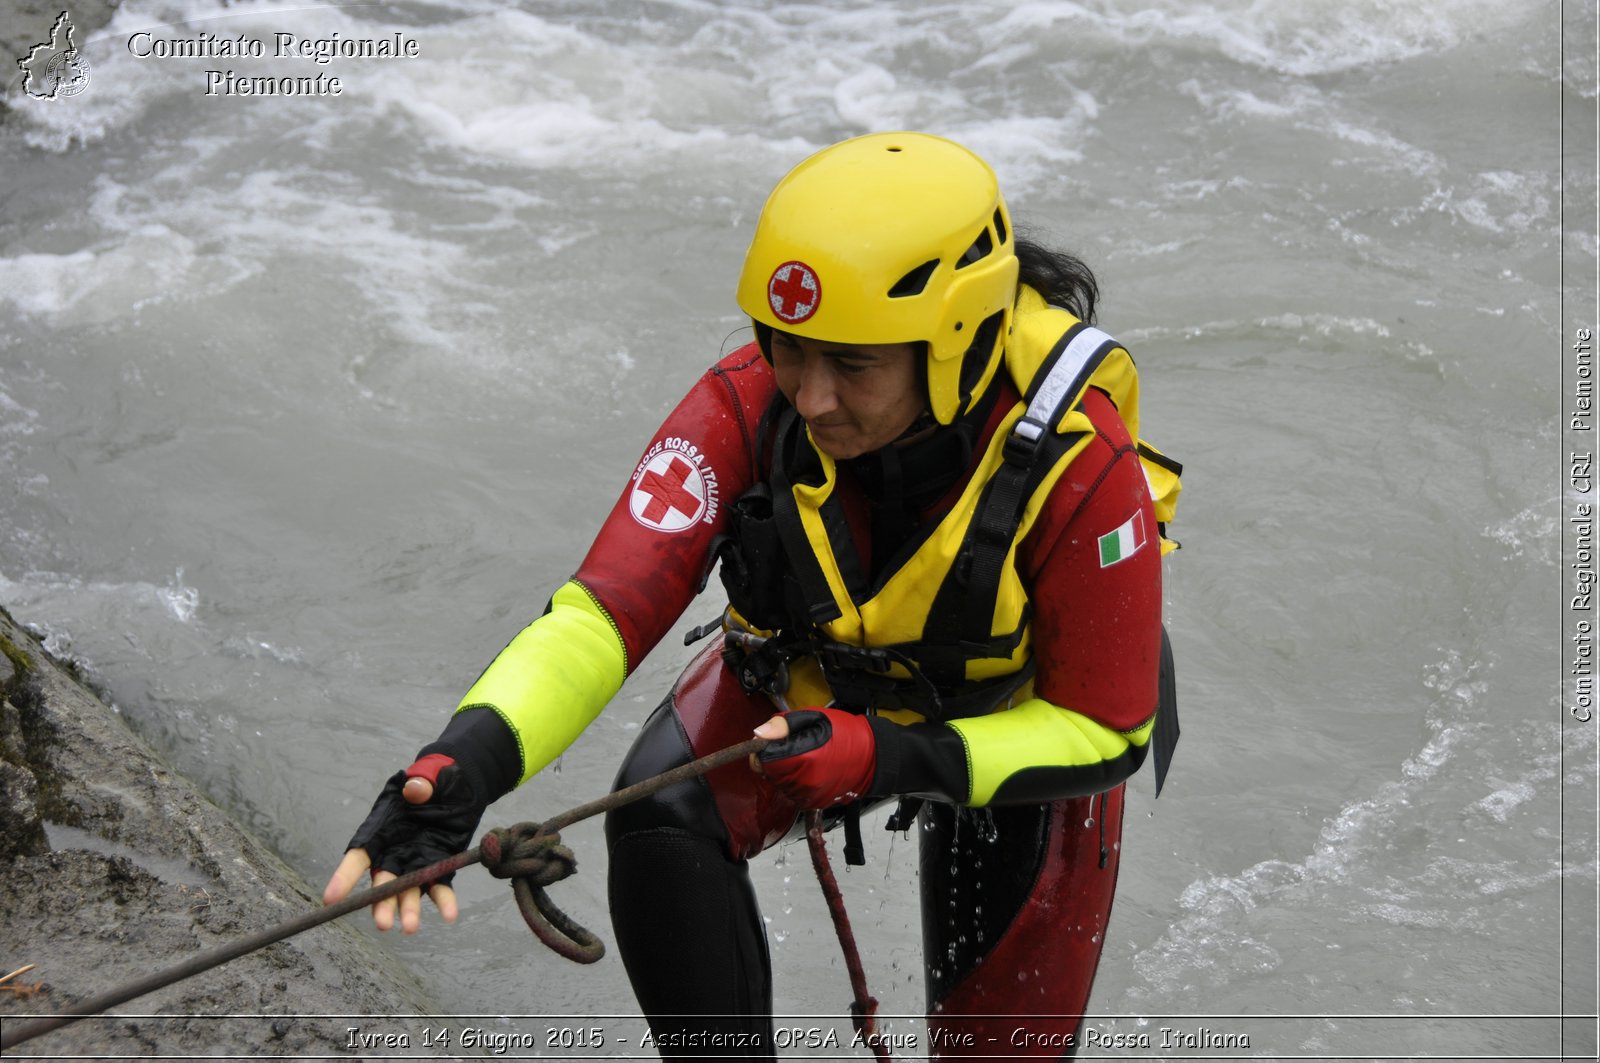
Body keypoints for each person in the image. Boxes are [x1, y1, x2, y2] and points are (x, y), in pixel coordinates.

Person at [323, 131, 1182, 1059]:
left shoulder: (1082, 461)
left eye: (852, 364)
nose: (809, 397)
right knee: (659, 824)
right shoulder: (748, 400)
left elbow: (1108, 731)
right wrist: (462, 770)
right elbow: (601, 613)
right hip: (813, 682)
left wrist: (888, 754)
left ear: (958, 340)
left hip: (1020, 733)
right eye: (788, 348)